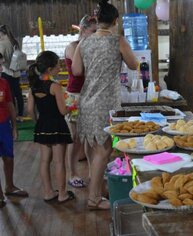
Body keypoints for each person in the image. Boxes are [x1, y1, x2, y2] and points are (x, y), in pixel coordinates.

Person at [72, 0, 138, 210]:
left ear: (97, 20)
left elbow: (76, 71)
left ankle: (98, 191)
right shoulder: (117, 40)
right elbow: (134, 64)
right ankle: (93, 199)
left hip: (86, 100)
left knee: (93, 150)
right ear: (115, 21)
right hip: (105, 101)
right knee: (104, 150)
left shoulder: (84, 42)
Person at [27, 51, 75, 203]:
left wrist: (38, 122)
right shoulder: (55, 86)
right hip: (57, 125)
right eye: (57, 65)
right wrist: (73, 106)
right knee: (59, 162)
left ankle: (48, 192)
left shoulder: (33, 87)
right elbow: (62, 111)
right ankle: (62, 194)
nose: (60, 67)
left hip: (42, 125)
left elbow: (30, 110)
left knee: (44, 161)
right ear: (49, 69)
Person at [64, 15, 97, 188]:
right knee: (75, 138)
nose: (96, 35)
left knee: (90, 137)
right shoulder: (73, 47)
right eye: (93, 31)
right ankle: (73, 173)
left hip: (90, 94)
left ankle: (94, 172)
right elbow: (79, 70)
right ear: (83, 30)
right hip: (75, 95)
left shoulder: (93, 46)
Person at [0, 53, 28, 209]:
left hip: (4, 125)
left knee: (8, 158)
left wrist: (15, 126)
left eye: (1, 65)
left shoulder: (4, 82)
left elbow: (10, 104)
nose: (1, 68)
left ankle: (9, 186)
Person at [0, 25, 25, 120]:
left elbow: (0, 58)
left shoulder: (2, 43)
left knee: (10, 95)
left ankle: (12, 116)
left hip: (7, 72)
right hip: (16, 72)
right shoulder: (14, 41)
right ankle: (21, 115)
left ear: (1, 33)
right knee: (18, 94)